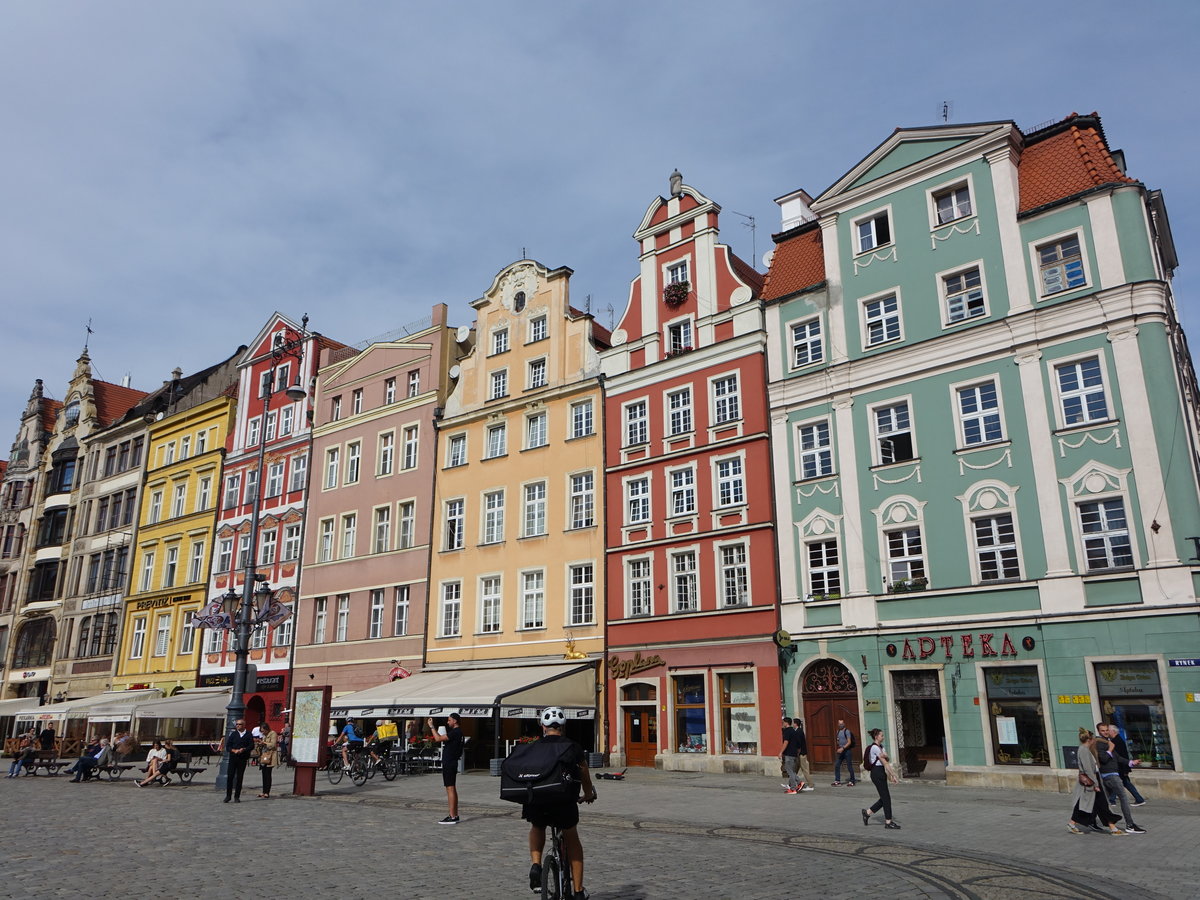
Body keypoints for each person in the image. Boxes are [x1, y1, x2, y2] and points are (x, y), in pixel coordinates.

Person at [524, 706, 597, 900]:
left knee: (537, 826)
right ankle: (579, 891)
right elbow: (584, 773)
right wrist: (588, 793)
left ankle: (536, 864)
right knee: (571, 837)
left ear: (543, 726)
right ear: (563, 727)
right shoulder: (572, 747)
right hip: (563, 801)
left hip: (537, 799)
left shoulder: (534, 746)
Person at [1069, 728, 1124, 835]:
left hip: (1093, 779)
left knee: (1096, 804)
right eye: (1093, 738)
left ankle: (1112, 827)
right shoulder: (1084, 750)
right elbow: (1088, 768)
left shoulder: (1085, 749)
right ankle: (1113, 828)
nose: (1095, 739)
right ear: (1090, 739)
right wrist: (1095, 783)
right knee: (1095, 803)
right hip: (1092, 780)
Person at [1095, 731, 1146, 834]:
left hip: (1113, 774)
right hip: (1109, 775)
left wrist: (1131, 762)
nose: (1106, 732)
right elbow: (1104, 759)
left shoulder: (1108, 743)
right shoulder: (1100, 744)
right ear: (1099, 731)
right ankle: (1130, 825)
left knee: (1100, 800)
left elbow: (1117, 758)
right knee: (1123, 798)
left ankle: (1085, 820)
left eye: (1106, 730)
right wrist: (1110, 748)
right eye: (1103, 730)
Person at [860, 728, 901, 829]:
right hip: (876, 773)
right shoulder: (875, 748)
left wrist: (886, 759)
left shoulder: (881, 747)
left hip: (881, 772)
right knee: (886, 798)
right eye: (881, 735)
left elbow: (887, 758)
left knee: (884, 797)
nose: (883, 737)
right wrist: (893, 775)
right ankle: (888, 822)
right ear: (876, 736)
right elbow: (885, 762)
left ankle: (867, 812)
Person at [1100, 722, 1147, 806]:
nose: (1107, 732)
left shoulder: (1116, 742)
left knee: (1119, 784)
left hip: (1120, 768)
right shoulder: (1114, 741)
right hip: (1121, 767)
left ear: (1113, 731)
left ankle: (1112, 800)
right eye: (1104, 731)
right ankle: (1138, 799)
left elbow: (1119, 756)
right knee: (1123, 783)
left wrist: (1127, 766)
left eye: (1108, 730)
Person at [429, 712, 463, 824]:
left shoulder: (455, 732)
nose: (448, 722)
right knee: (451, 787)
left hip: (450, 762)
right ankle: (455, 814)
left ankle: (452, 816)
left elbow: (438, 739)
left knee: (450, 788)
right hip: (452, 761)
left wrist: (432, 727)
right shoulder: (458, 732)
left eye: (449, 720)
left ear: (455, 721)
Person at [221, 718, 255, 803]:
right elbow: (228, 746)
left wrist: (244, 749)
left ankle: (237, 796)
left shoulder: (248, 734)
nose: (237, 726)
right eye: (237, 724)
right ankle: (228, 796)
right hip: (233, 757)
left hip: (242, 758)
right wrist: (233, 750)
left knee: (239, 777)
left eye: (239, 724)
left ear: (244, 725)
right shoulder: (234, 734)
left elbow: (251, 746)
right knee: (230, 776)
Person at [779, 717, 805, 793]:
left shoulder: (787, 731)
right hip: (794, 753)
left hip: (789, 754)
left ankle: (793, 788)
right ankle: (800, 783)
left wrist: (781, 752)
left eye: (783, 722)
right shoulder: (794, 731)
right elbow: (798, 744)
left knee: (789, 771)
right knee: (791, 771)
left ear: (786, 723)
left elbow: (785, 742)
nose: (782, 724)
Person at [257, 722, 279, 798]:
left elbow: (273, 744)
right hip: (264, 756)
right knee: (263, 774)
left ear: (267, 729)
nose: (262, 733)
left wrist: (264, 743)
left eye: (263, 731)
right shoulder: (264, 736)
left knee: (268, 774)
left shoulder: (273, 734)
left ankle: (267, 792)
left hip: (270, 756)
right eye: (261, 731)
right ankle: (263, 791)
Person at [833, 719, 857, 786]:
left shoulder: (847, 731)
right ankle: (837, 781)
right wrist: (839, 747)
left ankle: (852, 780)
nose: (841, 725)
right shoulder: (838, 731)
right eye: (839, 724)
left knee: (849, 766)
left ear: (844, 724)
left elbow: (849, 742)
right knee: (837, 765)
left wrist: (843, 748)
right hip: (840, 751)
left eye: (842, 724)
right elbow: (838, 740)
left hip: (847, 750)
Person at [792, 716, 813, 791]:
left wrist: (797, 752)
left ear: (795, 724)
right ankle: (791, 784)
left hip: (801, 753)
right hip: (801, 753)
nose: (792, 724)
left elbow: (798, 743)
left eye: (793, 723)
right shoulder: (799, 731)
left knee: (804, 769)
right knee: (795, 770)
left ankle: (810, 785)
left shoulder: (798, 732)